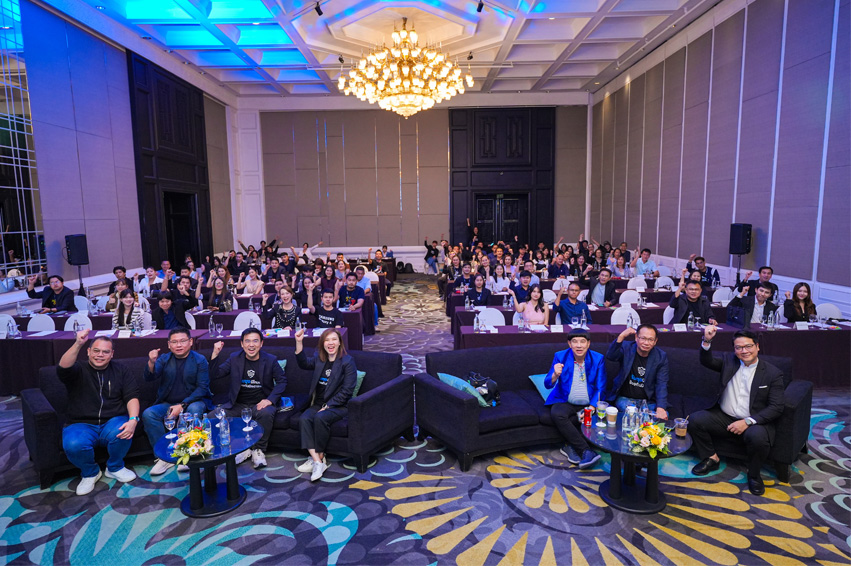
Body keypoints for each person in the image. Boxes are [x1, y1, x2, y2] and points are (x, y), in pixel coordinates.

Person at [690, 327, 785, 495]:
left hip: (754, 421)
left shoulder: (772, 373)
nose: (744, 351)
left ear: (757, 347)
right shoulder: (729, 362)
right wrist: (707, 340)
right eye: (739, 347)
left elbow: (776, 407)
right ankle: (711, 458)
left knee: (757, 437)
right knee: (695, 420)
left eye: (748, 346)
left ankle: (754, 474)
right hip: (724, 416)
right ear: (734, 349)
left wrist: (747, 422)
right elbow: (706, 361)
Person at [57, 330, 140, 495]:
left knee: (125, 430)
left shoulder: (121, 370)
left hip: (113, 420)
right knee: (73, 444)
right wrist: (78, 343)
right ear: (88, 351)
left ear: (112, 354)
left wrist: (133, 419)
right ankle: (90, 473)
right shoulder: (77, 369)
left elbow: (132, 396)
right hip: (81, 423)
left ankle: (114, 467)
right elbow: (63, 368)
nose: (100, 355)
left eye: (105, 352)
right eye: (96, 351)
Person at [209, 328, 286, 469]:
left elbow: (282, 381)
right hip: (238, 404)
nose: (251, 345)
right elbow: (216, 374)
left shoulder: (270, 360)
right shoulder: (234, 358)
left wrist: (269, 400)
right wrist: (215, 354)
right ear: (242, 344)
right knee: (212, 417)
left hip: (260, 404)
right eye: (247, 341)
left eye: (255, 341)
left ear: (261, 343)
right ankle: (219, 450)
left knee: (266, 413)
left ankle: (258, 450)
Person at [142, 328, 212, 475]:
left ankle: (190, 453)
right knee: (149, 414)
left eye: (182, 341)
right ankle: (164, 457)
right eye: (174, 342)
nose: (178, 345)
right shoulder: (164, 359)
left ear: (190, 342)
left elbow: (202, 388)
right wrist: (151, 362)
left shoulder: (199, 360)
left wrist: (182, 405)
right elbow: (149, 377)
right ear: (169, 344)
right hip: (168, 403)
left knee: (194, 411)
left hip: (194, 401)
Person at [294, 328, 357, 481]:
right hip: (318, 403)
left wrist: (329, 405)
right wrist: (299, 342)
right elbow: (303, 363)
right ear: (322, 344)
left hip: (339, 406)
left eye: (334, 339)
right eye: (327, 340)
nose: (330, 343)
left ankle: (318, 458)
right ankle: (318, 461)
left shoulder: (347, 361)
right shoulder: (319, 358)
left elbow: (347, 390)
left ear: (340, 342)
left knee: (320, 418)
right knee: (304, 419)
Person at [543, 329, 605, 469]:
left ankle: (569, 446)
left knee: (578, 420)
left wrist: (592, 407)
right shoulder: (560, 356)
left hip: (588, 403)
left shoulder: (598, 359)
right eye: (575, 341)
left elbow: (601, 387)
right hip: (565, 401)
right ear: (569, 344)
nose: (579, 345)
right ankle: (586, 451)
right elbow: (547, 384)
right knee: (557, 413)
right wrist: (555, 375)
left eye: (582, 341)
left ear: (588, 344)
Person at [605, 325, 669, 419]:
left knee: (663, 415)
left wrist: (661, 408)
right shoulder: (627, 347)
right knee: (632, 412)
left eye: (650, 340)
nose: (646, 343)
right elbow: (611, 356)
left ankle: (641, 419)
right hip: (625, 399)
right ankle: (643, 420)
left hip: (647, 402)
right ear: (636, 337)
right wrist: (621, 336)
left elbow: (662, 383)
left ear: (655, 341)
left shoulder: (660, 357)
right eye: (643, 338)